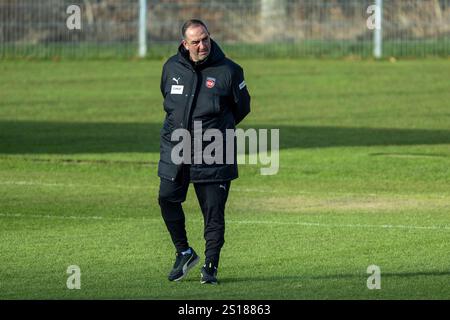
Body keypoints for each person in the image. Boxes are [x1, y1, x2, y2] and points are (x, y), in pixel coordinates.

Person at [157, 19, 251, 284]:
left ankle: (210, 266)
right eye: (196, 41)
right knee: (167, 198)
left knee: (212, 211)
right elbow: (169, 103)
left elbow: (241, 108)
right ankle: (184, 252)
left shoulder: (230, 71)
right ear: (185, 44)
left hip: (213, 150)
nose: (202, 45)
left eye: (206, 39)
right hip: (176, 148)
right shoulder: (171, 68)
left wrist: (216, 131)